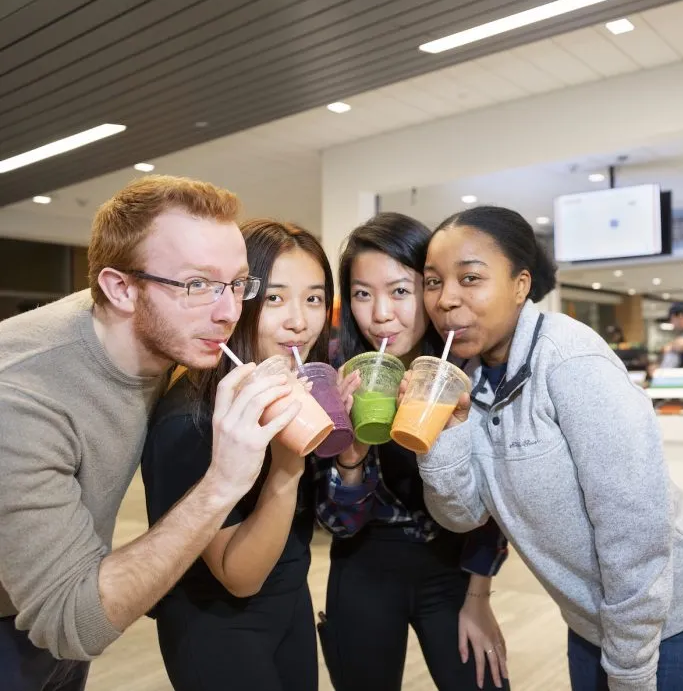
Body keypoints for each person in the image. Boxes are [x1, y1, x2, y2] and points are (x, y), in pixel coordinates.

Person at [411, 206, 683, 691]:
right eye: (433, 282)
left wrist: (630, 668)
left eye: (470, 278)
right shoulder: (472, 381)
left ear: (521, 285)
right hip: (592, 619)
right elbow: (462, 515)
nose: (446, 300)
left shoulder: (570, 360)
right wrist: (444, 430)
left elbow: (634, 528)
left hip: (679, 614)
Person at [0, 176, 301, 690]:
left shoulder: (162, 329)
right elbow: (73, 623)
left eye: (237, 283)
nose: (229, 311)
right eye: (197, 285)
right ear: (120, 288)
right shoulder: (23, 396)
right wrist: (222, 483)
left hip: (69, 594)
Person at [316, 212, 511, 691]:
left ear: (430, 289)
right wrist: (352, 449)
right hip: (363, 565)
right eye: (362, 293)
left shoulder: (468, 370)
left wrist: (479, 595)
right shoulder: (336, 372)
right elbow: (337, 523)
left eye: (400, 291)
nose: (381, 313)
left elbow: (495, 502)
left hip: (452, 568)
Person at [140, 220, 332, 690]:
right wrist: (290, 465)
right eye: (275, 298)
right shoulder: (190, 420)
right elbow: (239, 576)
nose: (299, 321)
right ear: (237, 301)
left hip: (289, 600)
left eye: (314, 298)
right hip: (218, 625)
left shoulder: (287, 388)